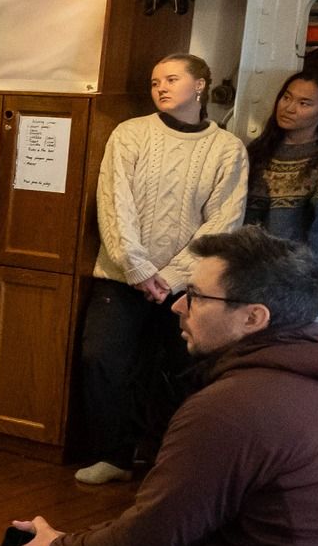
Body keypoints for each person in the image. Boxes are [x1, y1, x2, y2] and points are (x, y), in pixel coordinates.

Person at [0, 228, 318, 546]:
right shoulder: (306, 377)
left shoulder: (231, 407)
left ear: (253, 317)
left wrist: (57, 544)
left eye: (195, 296)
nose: (178, 306)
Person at [72, 52, 248, 484]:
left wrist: (168, 278)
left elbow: (224, 221)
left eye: (171, 79)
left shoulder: (227, 148)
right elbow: (114, 205)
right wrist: (137, 267)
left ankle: (166, 462)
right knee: (102, 359)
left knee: (178, 371)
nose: (161, 88)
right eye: (154, 82)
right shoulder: (130, 134)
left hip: (188, 284)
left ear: (201, 85)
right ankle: (112, 455)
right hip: (122, 275)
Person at [244, 70, 318, 269]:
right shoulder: (256, 151)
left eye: (304, 103)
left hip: (296, 274)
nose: (289, 108)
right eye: (286, 97)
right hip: (247, 267)